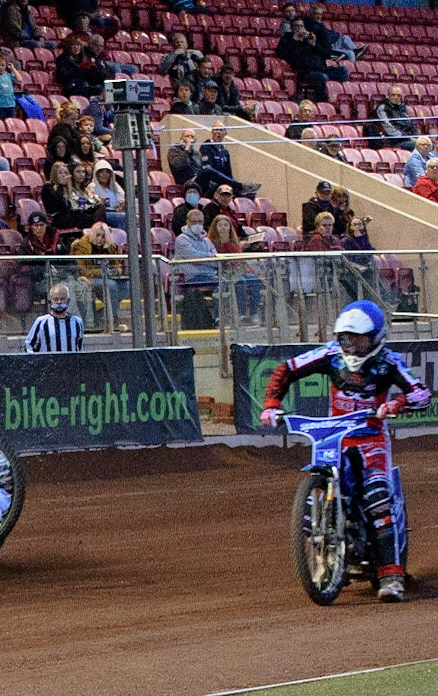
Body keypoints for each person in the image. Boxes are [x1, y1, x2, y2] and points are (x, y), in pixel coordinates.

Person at [260, 301, 428, 601]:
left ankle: (391, 575)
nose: (352, 346)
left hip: (370, 440)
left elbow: (421, 393)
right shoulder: (330, 355)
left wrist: (397, 404)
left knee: (377, 496)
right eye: (347, 339)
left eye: (360, 339)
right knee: (322, 496)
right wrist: (272, 404)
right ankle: (327, 561)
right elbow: (285, 370)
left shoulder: (389, 362)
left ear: (375, 338)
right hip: (334, 437)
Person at [69, 221, 128, 332]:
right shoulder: (80, 246)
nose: (100, 239)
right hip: (88, 278)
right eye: (98, 235)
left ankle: (102, 315)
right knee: (112, 285)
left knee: (128, 286)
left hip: (107, 276)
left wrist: (117, 271)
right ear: (92, 234)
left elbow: (117, 264)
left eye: (103, 236)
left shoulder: (110, 247)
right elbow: (84, 270)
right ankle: (113, 320)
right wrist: (103, 272)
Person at [208, 214, 263, 323]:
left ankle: (253, 313)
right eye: (220, 225)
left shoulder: (234, 242)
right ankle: (240, 314)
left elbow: (239, 259)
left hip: (237, 271)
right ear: (215, 227)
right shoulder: (210, 242)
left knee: (255, 281)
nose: (223, 228)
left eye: (225, 225)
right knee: (241, 282)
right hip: (220, 273)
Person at [174, 207, 219, 328]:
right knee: (222, 282)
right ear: (187, 222)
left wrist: (207, 259)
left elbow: (217, 259)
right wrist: (210, 258)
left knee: (235, 282)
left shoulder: (207, 241)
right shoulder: (181, 239)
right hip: (191, 278)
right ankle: (218, 318)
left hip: (209, 276)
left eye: (200, 222)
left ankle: (238, 316)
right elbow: (194, 257)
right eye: (194, 222)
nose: (197, 224)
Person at [199, 122, 261, 197]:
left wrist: (232, 184)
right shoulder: (206, 146)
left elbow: (229, 174)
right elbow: (207, 169)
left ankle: (241, 190)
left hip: (223, 183)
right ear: (212, 131)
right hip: (210, 183)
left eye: (221, 130)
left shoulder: (225, 152)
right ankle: (240, 186)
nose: (218, 132)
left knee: (249, 195)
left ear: (225, 133)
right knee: (210, 171)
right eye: (216, 129)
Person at [23, 283, 83, 353]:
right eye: (55, 299)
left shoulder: (77, 322)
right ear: (50, 301)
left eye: (62, 299)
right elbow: (29, 346)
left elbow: (79, 348)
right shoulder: (41, 322)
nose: (59, 302)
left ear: (68, 301)